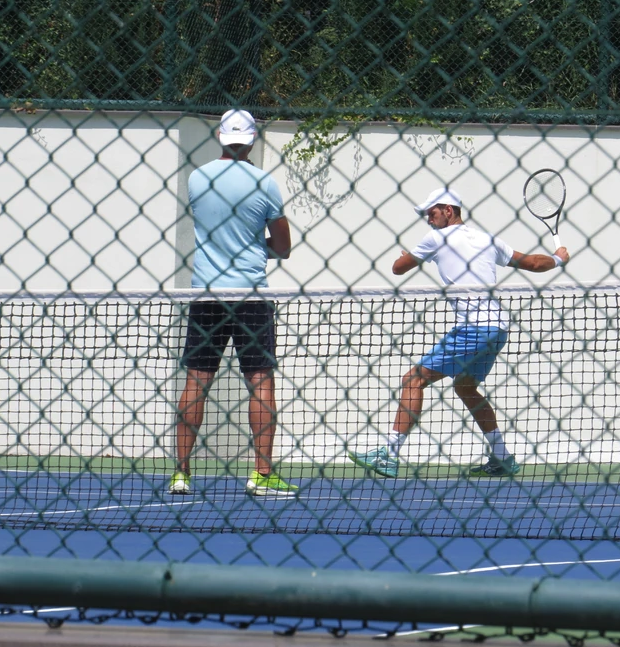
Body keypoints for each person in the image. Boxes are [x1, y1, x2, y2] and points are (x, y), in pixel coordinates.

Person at [348, 186, 570, 479]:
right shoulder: (488, 239)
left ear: (448, 210)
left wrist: (410, 256)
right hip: (498, 329)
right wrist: (558, 259)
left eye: (432, 213)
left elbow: (398, 268)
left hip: (473, 329)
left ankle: (389, 454)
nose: (428, 219)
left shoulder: (435, 238)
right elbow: (531, 263)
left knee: (413, 380)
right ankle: (502, 457)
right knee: (465, 387)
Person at [169, 109, 297, 497]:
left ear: (221, 136)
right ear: (254, 139)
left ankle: (181, 474)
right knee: (260, 381)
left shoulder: (197, 178)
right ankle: (261, 473)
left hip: (205, 292)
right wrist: (254, 243)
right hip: (251, 295)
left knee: (196, 381)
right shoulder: (265, 183)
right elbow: (283, 247)